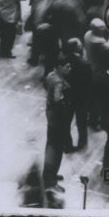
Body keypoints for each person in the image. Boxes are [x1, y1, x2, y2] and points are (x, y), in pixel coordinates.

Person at [43, 55, 72, 191]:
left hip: (51, 117)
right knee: (56, 149)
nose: (69, 69)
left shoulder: (51, 75)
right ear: (60, 67)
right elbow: (57, 100)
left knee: (51, 147)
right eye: (67, 67)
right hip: (58, 120)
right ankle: (51, 181)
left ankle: (49, 175)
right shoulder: (58, 83)